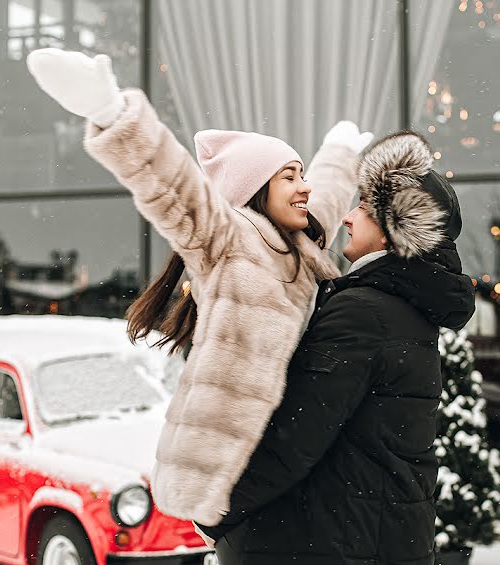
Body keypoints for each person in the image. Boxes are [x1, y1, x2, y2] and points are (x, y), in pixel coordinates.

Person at [25, 49, 372, 525]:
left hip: (287, 462)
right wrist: (112, 112)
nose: (304, 186)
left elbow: (329, 200)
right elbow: (171, 182)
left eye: (302, 174)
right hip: (224, 472)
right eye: (289, 176)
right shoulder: (226, 237)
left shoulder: (302, 246)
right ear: (255, 189)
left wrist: (340, 154)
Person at [198, 131, 477, 565]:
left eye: (363, 207)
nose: (347, 216)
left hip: (328, 562)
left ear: (394, 226)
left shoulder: (364, 312)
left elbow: (294, 434)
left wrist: (213, 509)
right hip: (368, 554)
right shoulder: (401, 307)